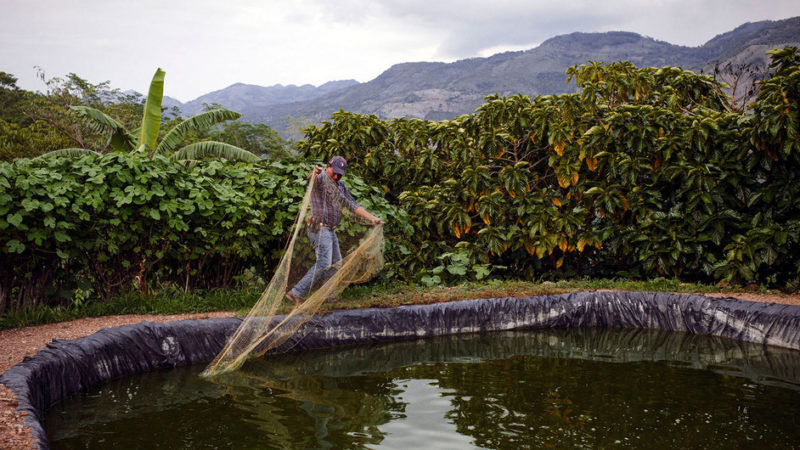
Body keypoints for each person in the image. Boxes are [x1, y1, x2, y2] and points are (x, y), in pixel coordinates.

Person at [286, 156, 384, 305]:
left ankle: (327, 296)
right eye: (334, 173)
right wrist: (315, 173)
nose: (336, 176)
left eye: (340, 174)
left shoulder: (341, 186)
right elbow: (311, 180)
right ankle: (296, 292)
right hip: (319, 228)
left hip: (330, 230)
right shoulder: (320, 179)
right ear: (327, 167)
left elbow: (353, 205)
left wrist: (372, 218)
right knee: (324, 262)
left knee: (336, 263)